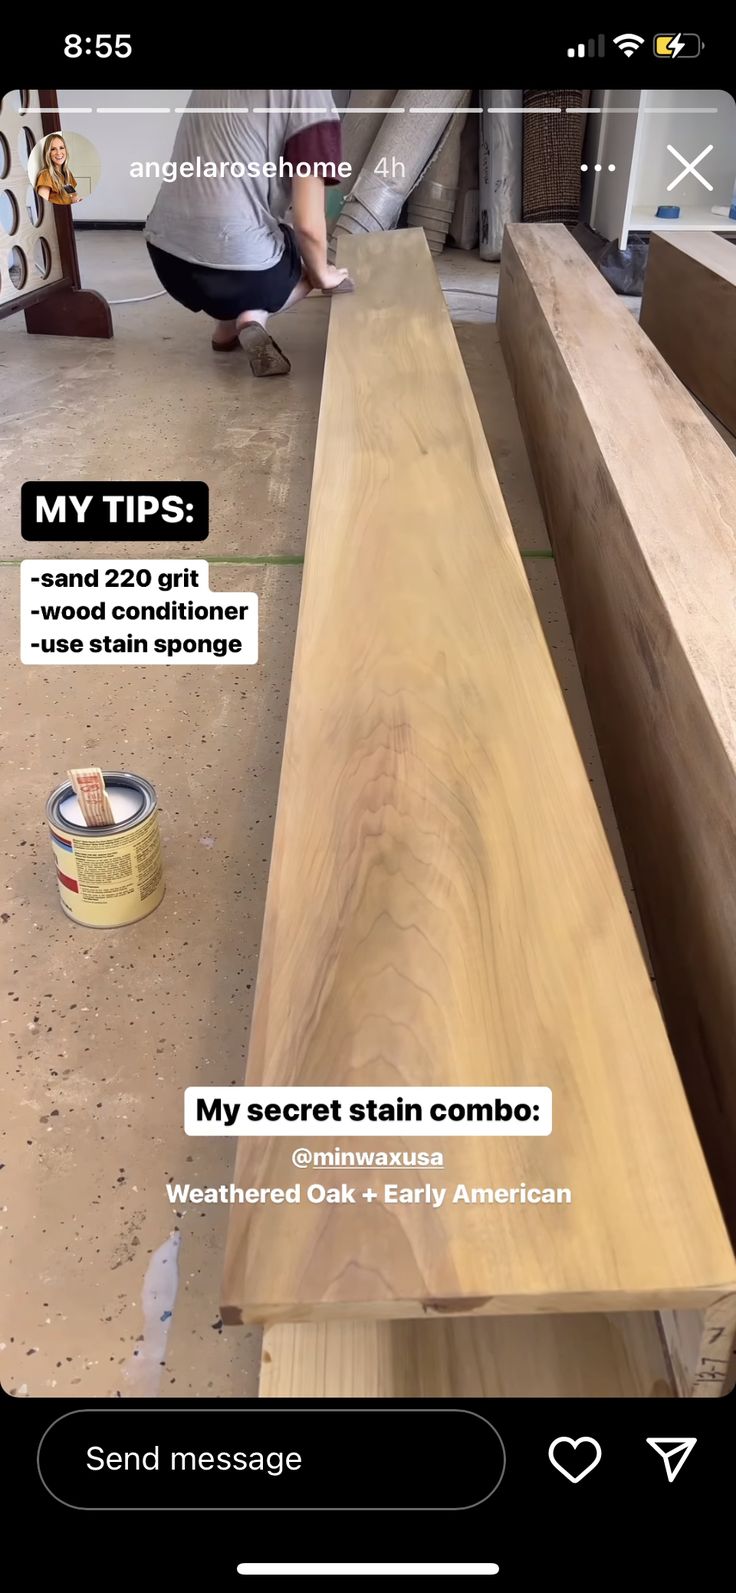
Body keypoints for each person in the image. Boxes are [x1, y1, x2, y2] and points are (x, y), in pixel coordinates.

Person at [144, 89, 352, 377]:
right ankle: (253, 316)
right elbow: (308, 226)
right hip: (246, 271)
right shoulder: (309, 97)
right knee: (305, 257)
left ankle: (225, 329)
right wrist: (322, 276)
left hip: (167, 258)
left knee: (247, 244)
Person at [35, 134, 80, 205]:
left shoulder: (67, 173)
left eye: (61, 148)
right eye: (53, 149)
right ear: (48, 153)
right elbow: (43, 205)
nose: (58, 153)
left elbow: (74, 197)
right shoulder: (46, 175)